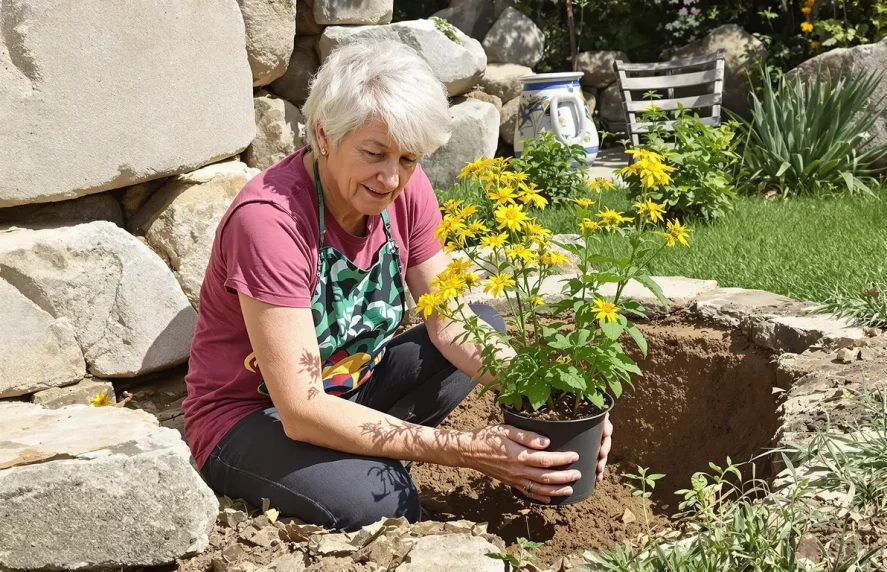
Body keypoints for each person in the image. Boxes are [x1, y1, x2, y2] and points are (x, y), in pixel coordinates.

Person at [182, 38, 612, 531]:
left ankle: (369, 459)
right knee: (384, 503)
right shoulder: (272, 222)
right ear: (324, 136)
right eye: (374, 153)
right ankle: (359, 470)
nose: (391, 179)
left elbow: (451, 324)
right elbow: (299, 409)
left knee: (485, 329)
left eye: (408, 159)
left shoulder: (406, 191)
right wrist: (462, 450)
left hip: (349, 387)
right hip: (254, 418)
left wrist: (562, 403)